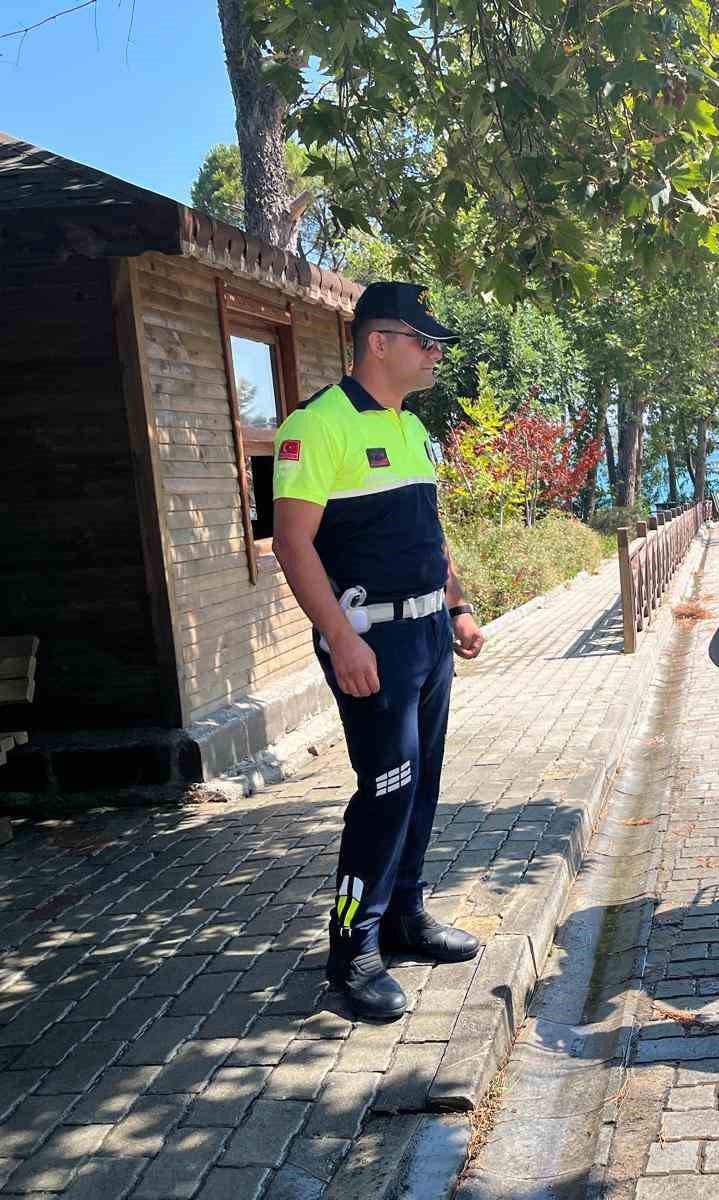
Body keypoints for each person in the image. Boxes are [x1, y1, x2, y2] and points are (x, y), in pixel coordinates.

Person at [273, 282, 487, 1023]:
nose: (434, 354)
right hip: (370, 639)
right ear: (378, 342)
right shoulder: (319, 426)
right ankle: (352, 951)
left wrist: (457, 606)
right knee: (386, 789)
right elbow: (292, 543)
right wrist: (340, 637)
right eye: (424, 341)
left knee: (422, 782)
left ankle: (406, 915)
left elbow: (430, 534)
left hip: (428, 635)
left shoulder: (411, 428)